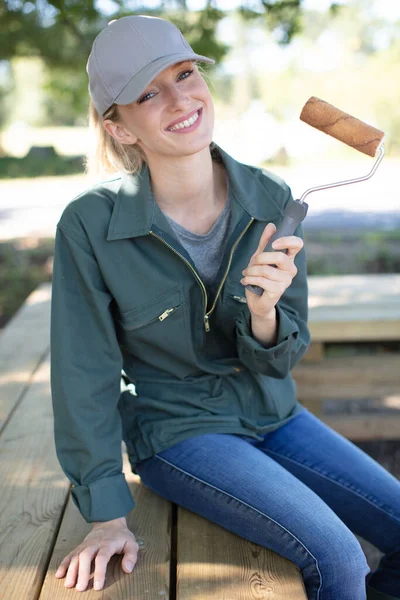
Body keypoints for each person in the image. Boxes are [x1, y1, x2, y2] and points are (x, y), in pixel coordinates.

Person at [50, 14, 400, 600]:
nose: (180, 98)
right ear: (120, 130)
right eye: (148, 93)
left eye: (185, 74)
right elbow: (81, 373)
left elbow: (281, 361)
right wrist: (106, 512)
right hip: (180, 430)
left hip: (273, 413)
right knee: (338, 557)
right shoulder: (91, 224)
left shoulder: (273, 200)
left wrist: (264, 315)